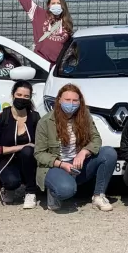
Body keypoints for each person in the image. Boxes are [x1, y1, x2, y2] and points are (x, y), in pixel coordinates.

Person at [34, 84, 118, 212]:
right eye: (67, 100)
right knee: (66, 191)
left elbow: (96, 139)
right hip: (56, 165)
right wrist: (62, 164)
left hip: (78, 164)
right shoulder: (45, 122)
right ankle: (54, 191)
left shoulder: (85, 116)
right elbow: (39, 154)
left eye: (75, 100)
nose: (71, 104)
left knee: (109, 153)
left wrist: (84, 152)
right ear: (59, 100)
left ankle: (98, 196)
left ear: (80, 102)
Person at [0, 0, 72, 63]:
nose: (56, 5)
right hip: (41, 64)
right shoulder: (38, 14)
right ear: (48, 5)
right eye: (53, 3)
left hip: (58, 66)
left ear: (63, 6)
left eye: (58, 3)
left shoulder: (67, 23)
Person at [0, 80, 40, 208]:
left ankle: (30, 192)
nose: (22, 99)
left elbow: (39, 143)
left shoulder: (35, 117)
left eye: (26, 96)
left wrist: (27, 148)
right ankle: (9, 187)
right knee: (12, 181)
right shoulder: (1, 117)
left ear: (30, 98)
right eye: (19, 95)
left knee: (28, 151)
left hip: (28, 160)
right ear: (13, 95)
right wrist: (22, 146)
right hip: (5, 160)